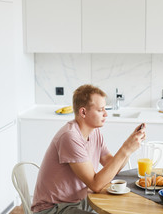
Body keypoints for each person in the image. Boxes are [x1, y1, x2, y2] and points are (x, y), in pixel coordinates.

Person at [31, 84, 146, 214]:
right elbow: (96, 185)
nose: (106, 114)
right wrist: (125, 149)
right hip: (54, 208)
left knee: (125, 206)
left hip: (79, 201)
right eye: (100, 110)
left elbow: (112, 166)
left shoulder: (94, 132)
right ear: (83, 112)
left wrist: (129, 147)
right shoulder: (70, 137)